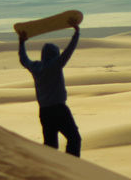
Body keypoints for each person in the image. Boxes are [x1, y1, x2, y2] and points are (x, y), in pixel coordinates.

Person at [17, 16, 82, 157]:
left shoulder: (36, 67)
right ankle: (72, 166)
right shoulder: (56, 65)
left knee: (50, 146)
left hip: (44, 112)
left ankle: (52, 170)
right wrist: (76, 33)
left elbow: (23, 60)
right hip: (59, 109)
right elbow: (68, 52)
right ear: (55, 55)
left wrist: (21, 42)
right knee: (74, 138)